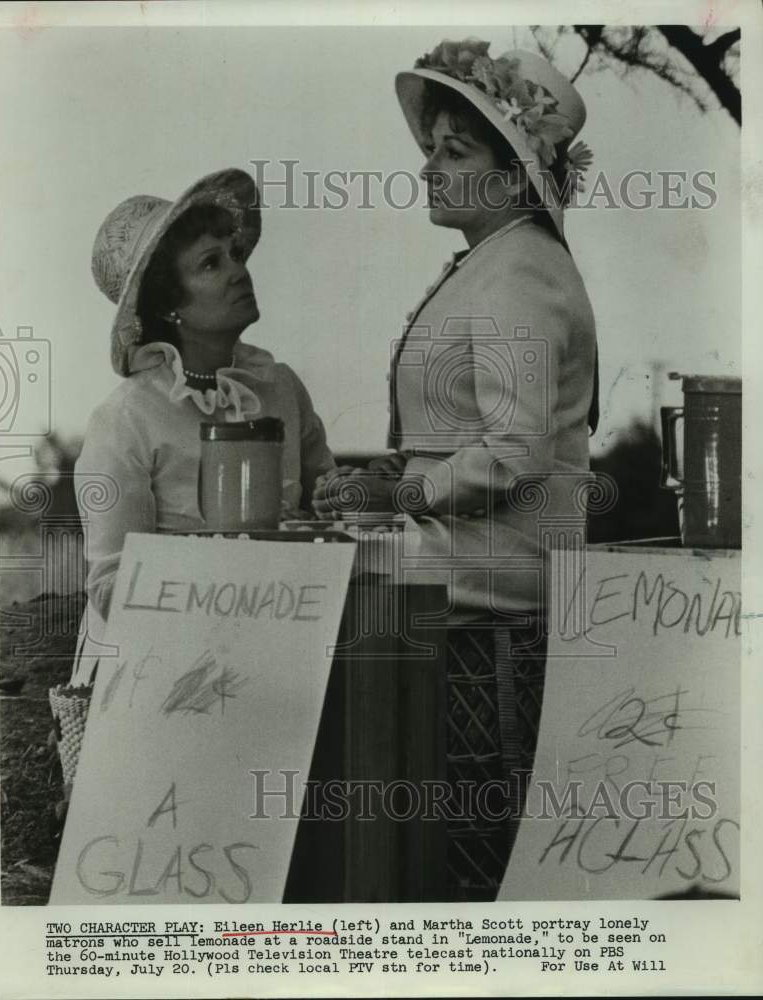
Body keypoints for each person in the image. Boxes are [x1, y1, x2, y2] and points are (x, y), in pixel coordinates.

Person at [313, 40, 598, 900]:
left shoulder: (521, 273)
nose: (427, 169)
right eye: (428, 150)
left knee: (327, 582)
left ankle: (368, 871)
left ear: (513, 177)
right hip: (466, 541)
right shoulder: (494, 260)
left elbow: (516, 455)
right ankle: (364, 862)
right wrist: (384, 478)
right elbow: (464, 433)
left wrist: (392, 495)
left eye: (452, 151)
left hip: (508, 556)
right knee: (316, 557)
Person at [70, 168, 334, 686]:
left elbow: (324, 497)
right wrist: (225, 579)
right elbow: (111, 585)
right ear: (169, 304)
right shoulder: (126, 420)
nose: (239, 271)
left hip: (280, 650)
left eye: (234, 254)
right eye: (211, 264)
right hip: (157, 671)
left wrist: (346, 496)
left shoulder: (280, 387)